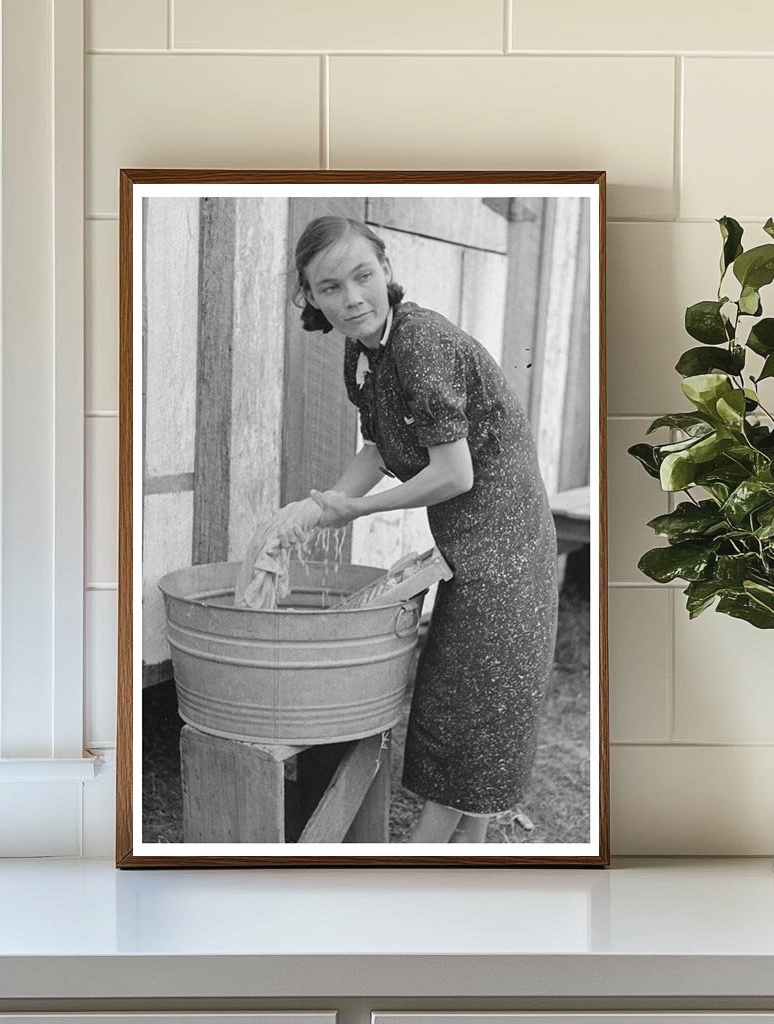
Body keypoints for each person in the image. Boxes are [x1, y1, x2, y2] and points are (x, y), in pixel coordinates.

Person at [293, 214, 558, 843]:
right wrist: (324, 505)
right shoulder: (366, 352)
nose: (352, 297)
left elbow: (454, 475)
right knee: (470, 712)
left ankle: (413, 879)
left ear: (386, 270)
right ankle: (463, 872)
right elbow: (380, 449)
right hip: (474, 549)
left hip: (509, 550)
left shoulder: (419, 343)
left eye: (363, 276)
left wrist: (358, 511)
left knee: (471, 714)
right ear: (311, 298)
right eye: (330, 288)